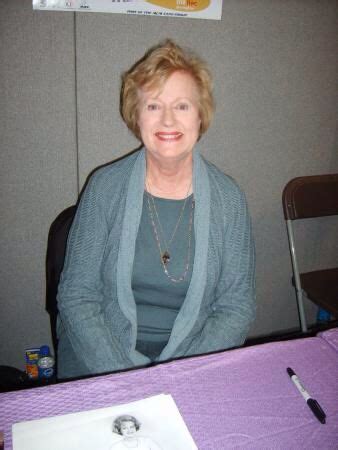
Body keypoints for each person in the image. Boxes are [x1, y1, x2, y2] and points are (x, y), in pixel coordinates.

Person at [57, 39, 256, 379]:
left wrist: (182, 374)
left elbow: (236, 307)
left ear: (201, 115)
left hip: (196, 359)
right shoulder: (104, 186)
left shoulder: (230, 200)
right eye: (153, 106)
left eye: (182, 106)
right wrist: (125, 377)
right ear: (136, 115)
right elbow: (77, 296)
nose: (167, 119)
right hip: (103, 357)